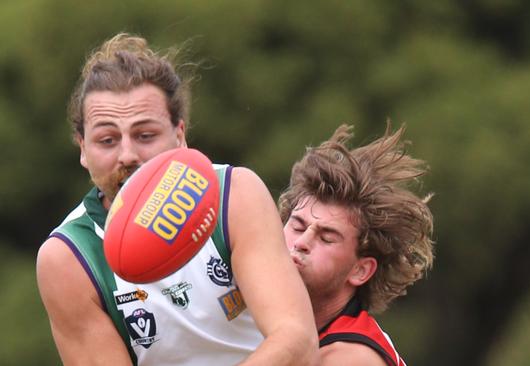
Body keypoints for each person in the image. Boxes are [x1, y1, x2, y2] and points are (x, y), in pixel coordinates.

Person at [36, 33, 318, 366]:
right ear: (83, 149)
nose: (127, 155)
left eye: (145, 135)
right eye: (107, 140)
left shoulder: (234, 195)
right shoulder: (69, 258)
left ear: (179, 135)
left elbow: (297, 340)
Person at [278, 123, 435, 366]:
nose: (302, 242)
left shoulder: (352, 357)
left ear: (360, 270)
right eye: (297, 226)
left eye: (326, 238)